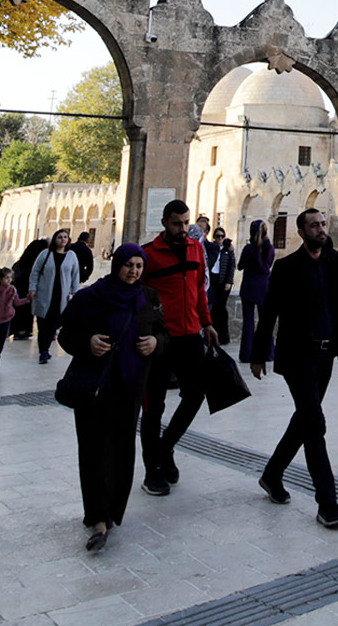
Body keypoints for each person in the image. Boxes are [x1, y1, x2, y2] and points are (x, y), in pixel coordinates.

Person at [59, 243, 167, 553]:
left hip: (129, 386)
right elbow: (66, 335)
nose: (133, 271)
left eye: (138, 266)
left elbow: (165, 335)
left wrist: (155, 343)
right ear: (116, 264)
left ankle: (112, 510)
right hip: (95, 386)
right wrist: (87, 341)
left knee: (121, 450)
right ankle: (98, 517)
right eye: (128, 265)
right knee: (93, 450)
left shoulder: (148, 298)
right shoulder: (90, 297)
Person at [249, 208, 338, 528]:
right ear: (302, 232)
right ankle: (328, 503)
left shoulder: (334, 261)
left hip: (325, 354)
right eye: (315, 226)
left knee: (305, 419)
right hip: (296, 355)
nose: (321, 229)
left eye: (323, 224)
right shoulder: (286, 267)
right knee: (315, 422)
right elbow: (269, 311)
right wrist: (259, 352)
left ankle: (272, 474)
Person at [138, 200, 217, 497]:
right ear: (164, 222)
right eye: (177, 224)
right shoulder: (148, 254)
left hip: (189, 335)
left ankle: (164, 447)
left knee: (196, 393)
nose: (183, 229)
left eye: (186, 223)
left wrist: (206, 323)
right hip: (159, 339)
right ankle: (151, 470)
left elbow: (198, 289)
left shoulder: (196, 249)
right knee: (153, 405)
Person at [29, 229, 81, 366]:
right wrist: (32, 288)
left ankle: (46, 348)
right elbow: (35, 272)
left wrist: (75, 292)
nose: (63, 239)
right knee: (43, 323)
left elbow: (75, 275)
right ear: (54, 239)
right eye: (60, 237)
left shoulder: (71, 256)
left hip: (61, 297)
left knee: (54, 324)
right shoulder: (45, 254)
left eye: (65, 237)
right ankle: (43, 351)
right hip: (45, 294)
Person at [236, 220, 274, 365]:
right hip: (264, 287)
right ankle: (268, 353)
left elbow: (240, 266)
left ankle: (247, 354)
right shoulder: (269, 248)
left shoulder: (248, 249)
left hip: (248, 287)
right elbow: (267, 267)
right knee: (265, 322)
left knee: (248, 323)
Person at [10, 236, 51, 341]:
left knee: (23, 307)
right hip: (26, 285)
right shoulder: (39, 256)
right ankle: (24, 330)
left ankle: (20, 330)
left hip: (21, 285)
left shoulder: (22, 261)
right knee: (27, 307)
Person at [205, 225, 236, 347]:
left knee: (221, 309)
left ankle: (224, 336)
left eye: (222, 236)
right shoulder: (211, 248)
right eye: (217, 236)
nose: (220, 239)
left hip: (223, 281)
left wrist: (229, 281)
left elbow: (232, 265)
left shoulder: (228, 250)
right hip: (213, 280)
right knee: (212, 307)